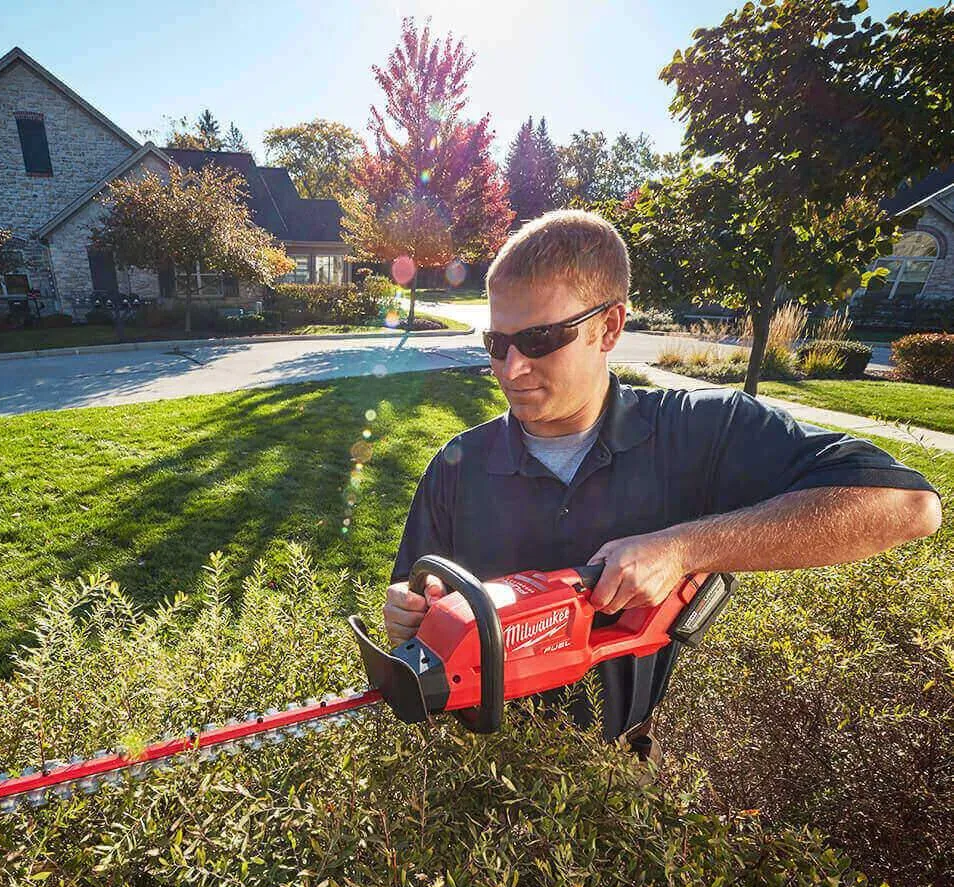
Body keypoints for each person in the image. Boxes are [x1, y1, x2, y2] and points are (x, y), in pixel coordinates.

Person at [384, 210, 942, 760]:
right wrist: (409, 616)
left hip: (621, 770)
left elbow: (909, 505)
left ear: (609, 327)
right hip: (475, 770)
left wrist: (682, 549)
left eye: (539, 340)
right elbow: (415, 605)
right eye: (497, 343)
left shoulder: (698, 431)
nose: (511, 369)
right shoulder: (456, 466)